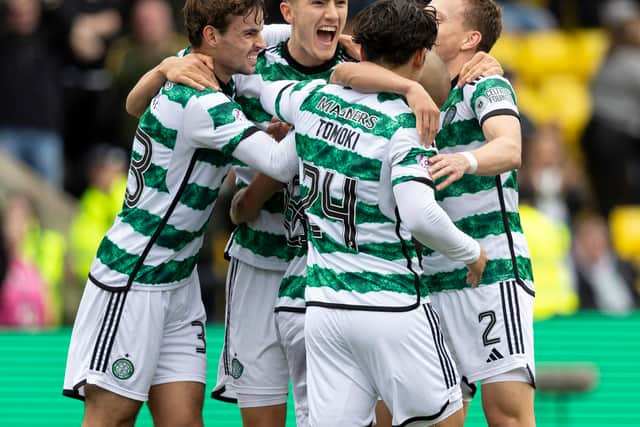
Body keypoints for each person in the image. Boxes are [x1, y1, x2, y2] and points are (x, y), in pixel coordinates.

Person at [61, 1, 299, 425]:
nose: (261, 44)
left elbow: (287, 34)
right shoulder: (203, 103)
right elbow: (279, 165)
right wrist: (325, 116)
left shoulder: (195, 63)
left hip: (179, 277)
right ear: (212, 36)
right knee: (111, 418)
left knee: (184, 421)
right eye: (249, 35)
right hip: (135, 276)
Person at [252, 0, 488, 424]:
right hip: (392, 305)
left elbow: (264, 87)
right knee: (446, 419)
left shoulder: (312, 99)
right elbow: (420, 216)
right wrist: (472, 253)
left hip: (324, 306)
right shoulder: (407, 125)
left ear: (361, 50)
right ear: (421, 56)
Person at [331, 0, 536, 426]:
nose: (424, 23)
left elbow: (510, 147)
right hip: (421, 278)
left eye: (436, 19)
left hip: (489, 274)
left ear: (470, 40)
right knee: (425, 417)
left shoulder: (484, 85)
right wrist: (406, 87)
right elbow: (342, 67)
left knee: (507, 415)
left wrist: (467, 161)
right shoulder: (404, 86)